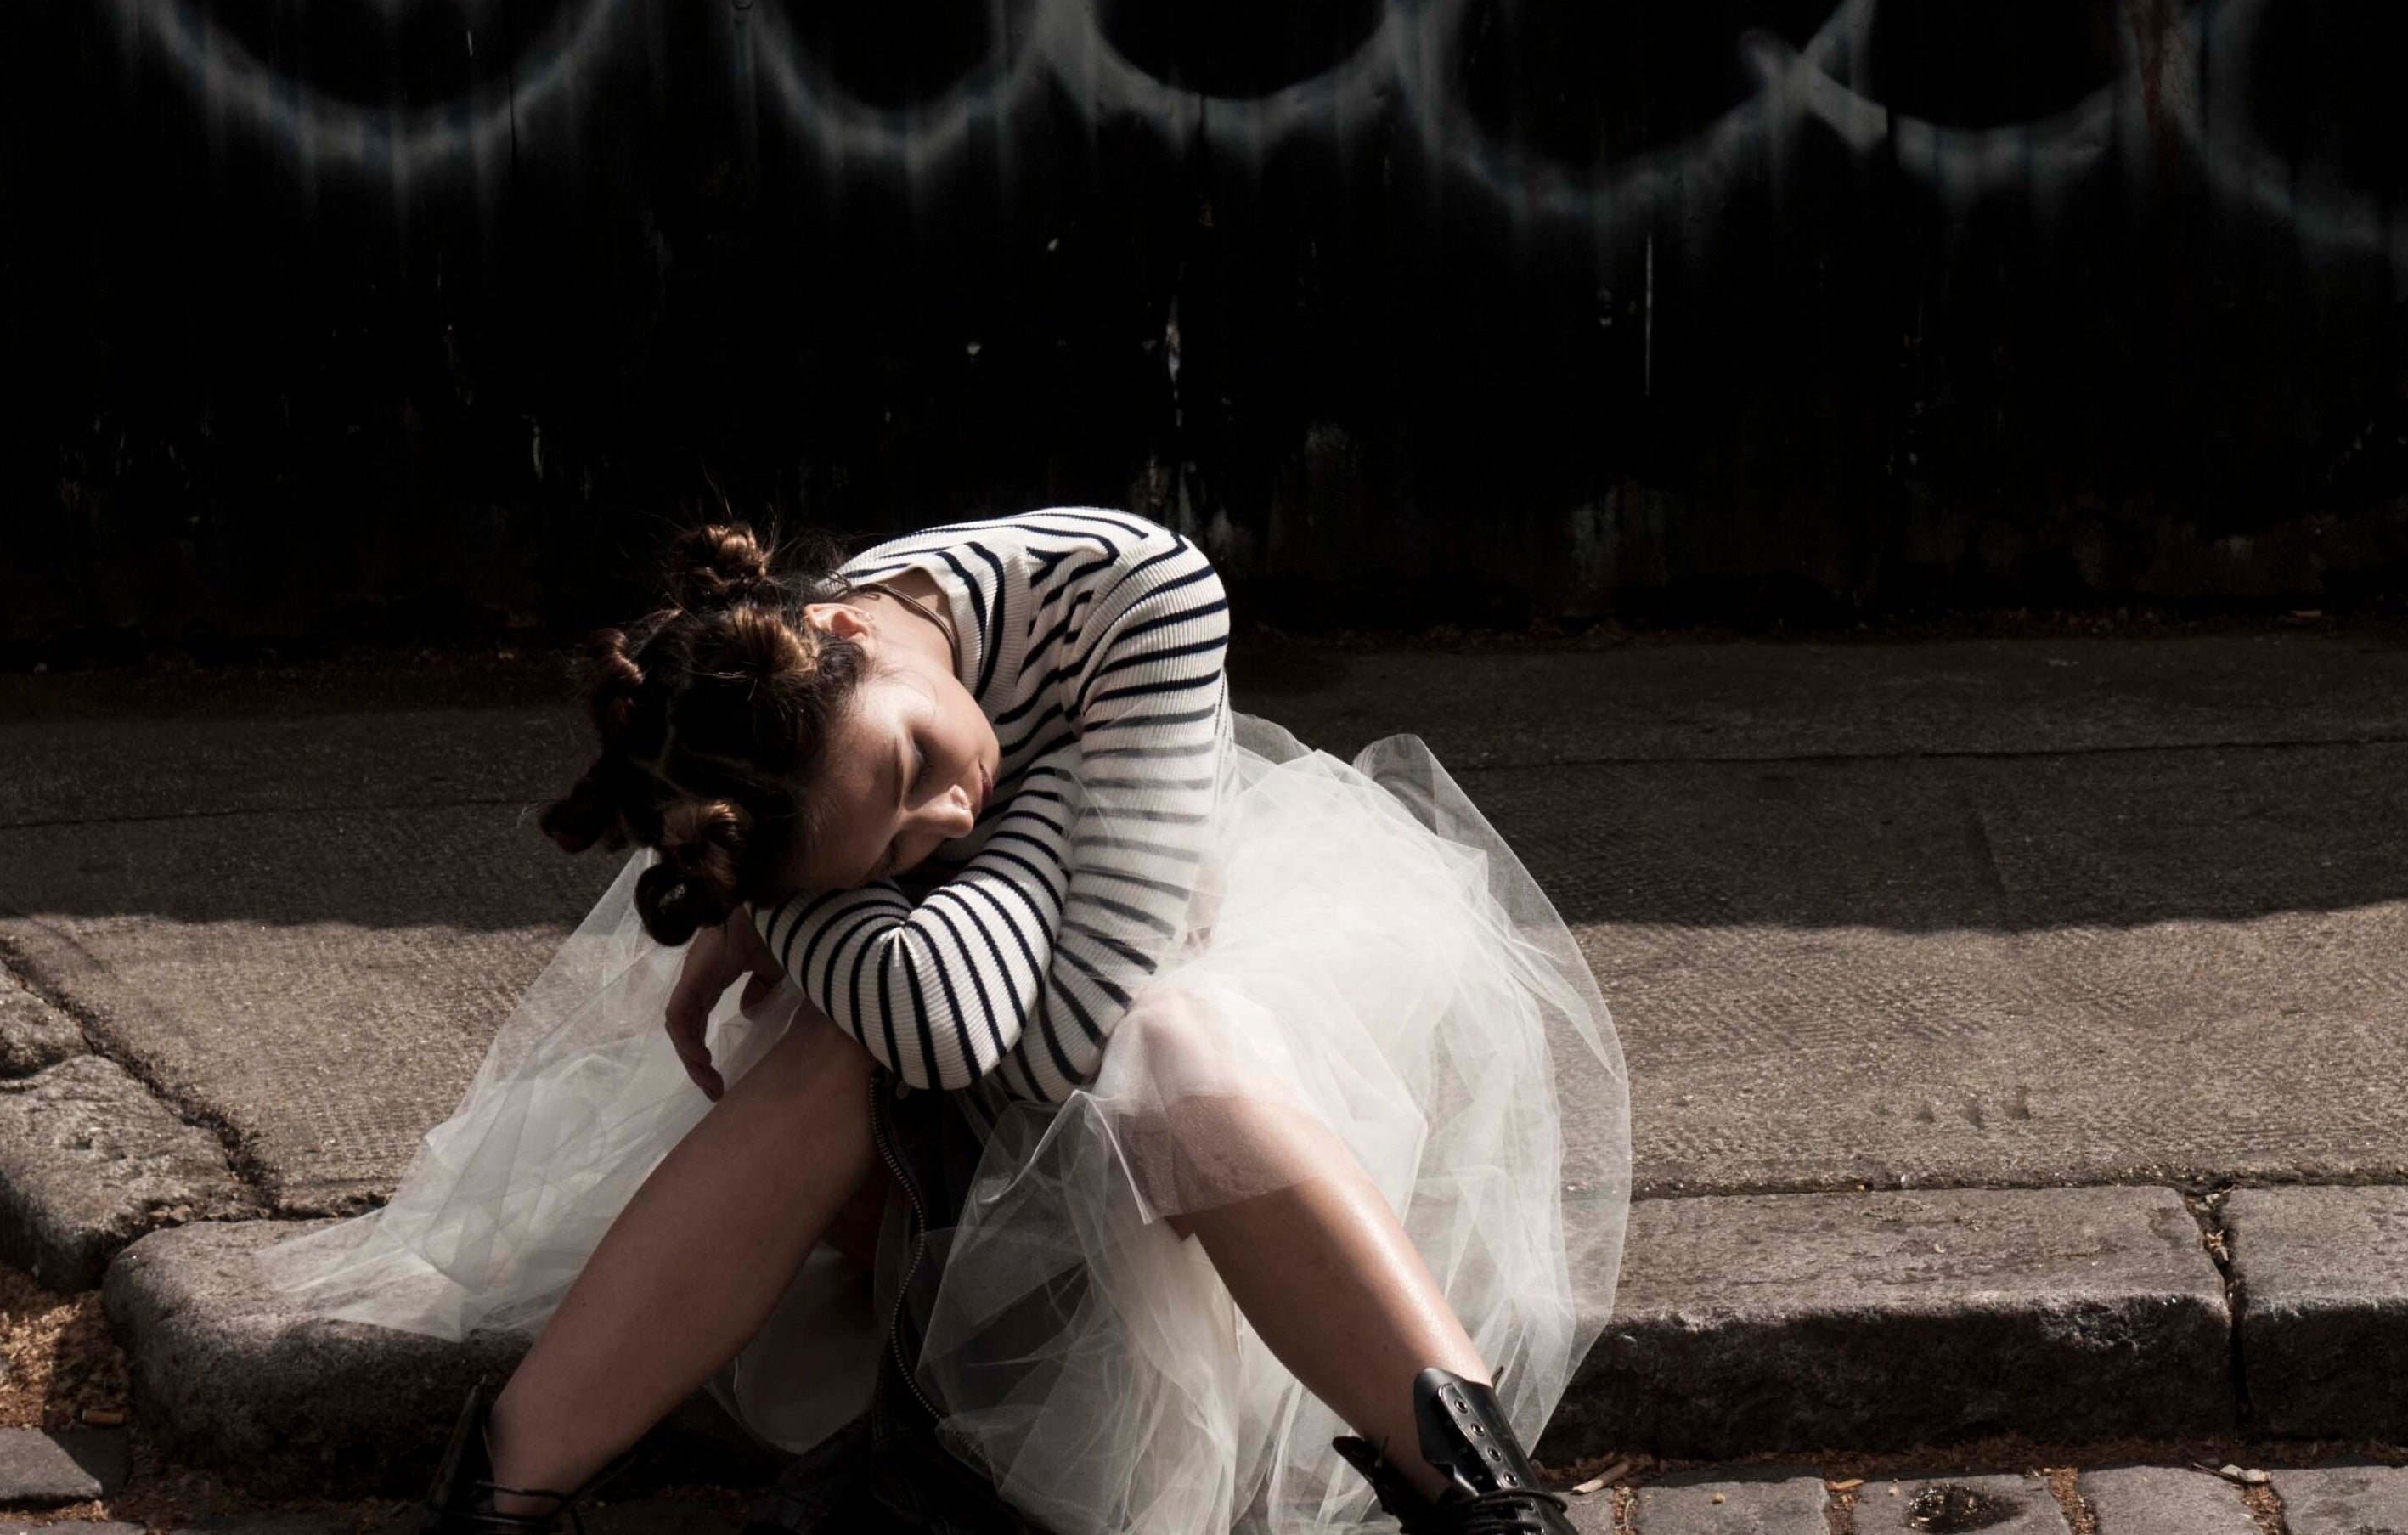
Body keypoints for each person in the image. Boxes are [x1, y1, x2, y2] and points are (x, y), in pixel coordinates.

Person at [267, 507, 1627, 1535]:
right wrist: (1046, 805)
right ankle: (499, 1498)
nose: (948, 816)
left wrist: (856, 894)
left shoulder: (1133, 590)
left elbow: (1061, 1039)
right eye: (888, 851)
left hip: (1198, 1085)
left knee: (1171, 1046)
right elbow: (931, 1021)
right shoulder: (789, 781)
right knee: (832, 1049)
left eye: (915, 763)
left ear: (850, 624)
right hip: (913, 1137)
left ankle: (1490, 1501)